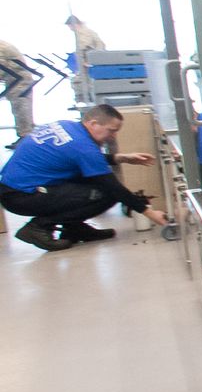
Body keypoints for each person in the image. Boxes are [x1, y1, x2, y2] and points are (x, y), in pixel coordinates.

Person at [1, 104, 170, 251]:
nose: (113, 137)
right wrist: (149, 213)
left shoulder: (67, 126)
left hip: (13, 189)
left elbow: (73, 159)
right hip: (23, 196)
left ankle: (74, 229)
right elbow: (113, 187)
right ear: (94, 124)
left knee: (93, 184)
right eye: (111, 131)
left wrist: (120, 158)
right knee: (106, 193)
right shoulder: (83, 146)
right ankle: (38, 227)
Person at [2, 36, 40, 145]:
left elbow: (1, 67)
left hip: (19, 81)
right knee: (21, 109)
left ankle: (25, 139)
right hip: (17, 80)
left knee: (21, 109)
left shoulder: (1, 47)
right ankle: (27, 136)